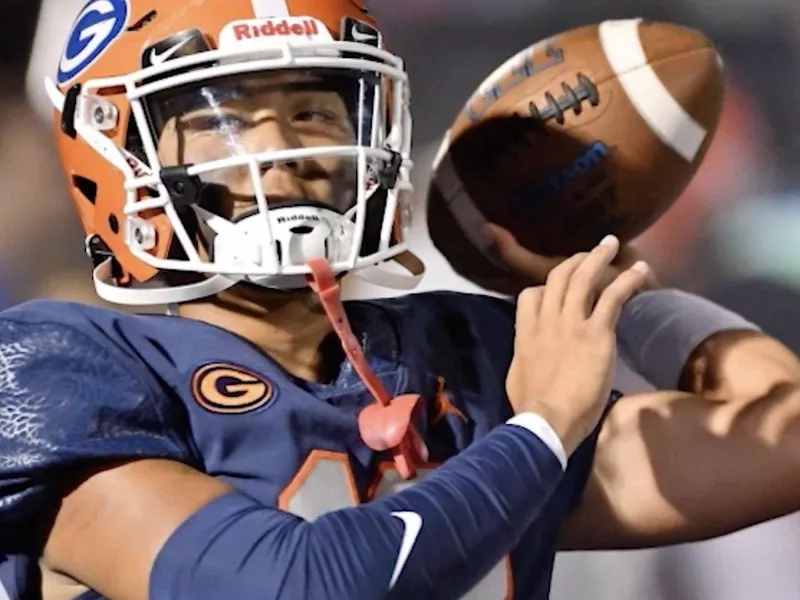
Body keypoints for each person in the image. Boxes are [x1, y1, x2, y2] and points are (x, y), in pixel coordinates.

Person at [0, 1, 798, 599]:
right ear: (120, 154)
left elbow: (782, 444)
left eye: (313, 112)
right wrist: (545, 427)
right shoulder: (60, 366)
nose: (283, 152)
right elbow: (297, 587)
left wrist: (611, 286)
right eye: (225, 121)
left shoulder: (469, 358)